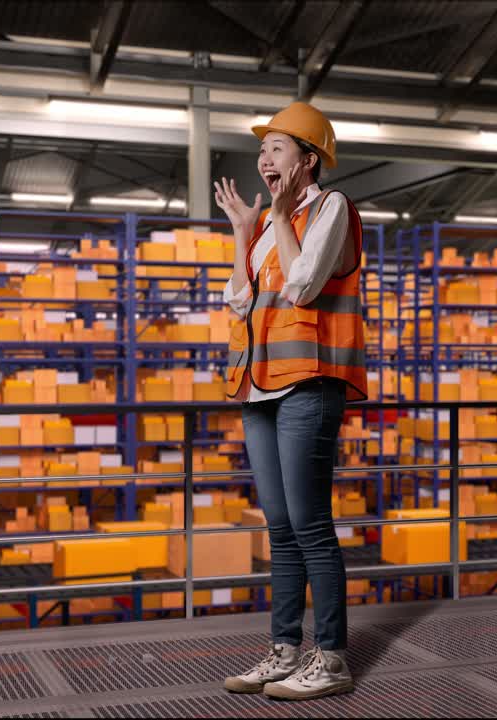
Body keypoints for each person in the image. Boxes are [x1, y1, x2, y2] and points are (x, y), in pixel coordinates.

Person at [213, 101, 367, 701]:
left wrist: (275, 219)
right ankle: (284, 651)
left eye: (276, 148)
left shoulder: (331, 208)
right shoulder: (271, 224)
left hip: (308, 385)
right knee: (279, 527)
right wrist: (244, 234)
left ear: (308, 160)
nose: (262, 158)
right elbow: (238, 302)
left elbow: (303, 285)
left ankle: (330, 659)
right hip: (259, 388)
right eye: (262, 149)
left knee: (310, 525)